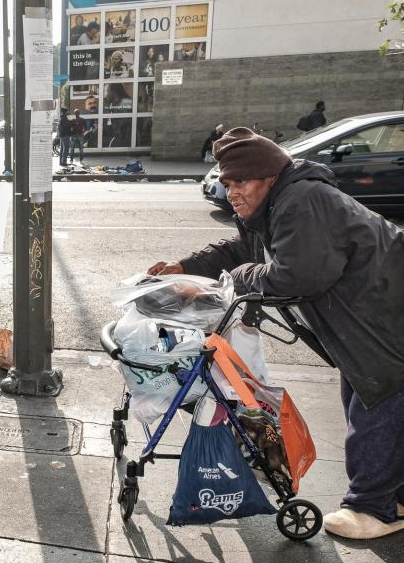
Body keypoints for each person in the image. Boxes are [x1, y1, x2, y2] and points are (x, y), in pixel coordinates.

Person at [147, 127, 404, 541]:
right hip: (369, 319)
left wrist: (236, 278)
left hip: (385, 317)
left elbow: (297, 275)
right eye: (227, 183)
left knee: (378, 401)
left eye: (241, 182)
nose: (233, 191)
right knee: (371, 396)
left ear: (269, 176)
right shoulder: (272, 204)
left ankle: (373, 506)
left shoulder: (303, 201)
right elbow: (246, 250)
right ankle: (391, 497)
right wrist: (185, 266)